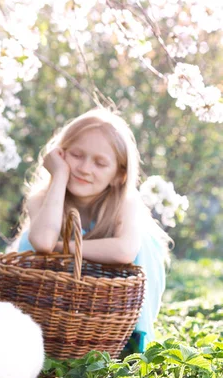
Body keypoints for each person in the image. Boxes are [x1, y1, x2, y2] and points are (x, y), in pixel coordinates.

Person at [11, 107, 171, 352]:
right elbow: (43, 242)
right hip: (60, 300)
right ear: (60, 154)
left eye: (100, 162)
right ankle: (41, 330)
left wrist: (63, 247)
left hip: (114, 302)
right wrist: (59, 177)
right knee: (29, 241)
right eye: (76, 155)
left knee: (145, 241)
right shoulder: (42, 198)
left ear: (119, 175)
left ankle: (131, 339)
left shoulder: (125, 202)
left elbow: (125, 250)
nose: (85, 168)